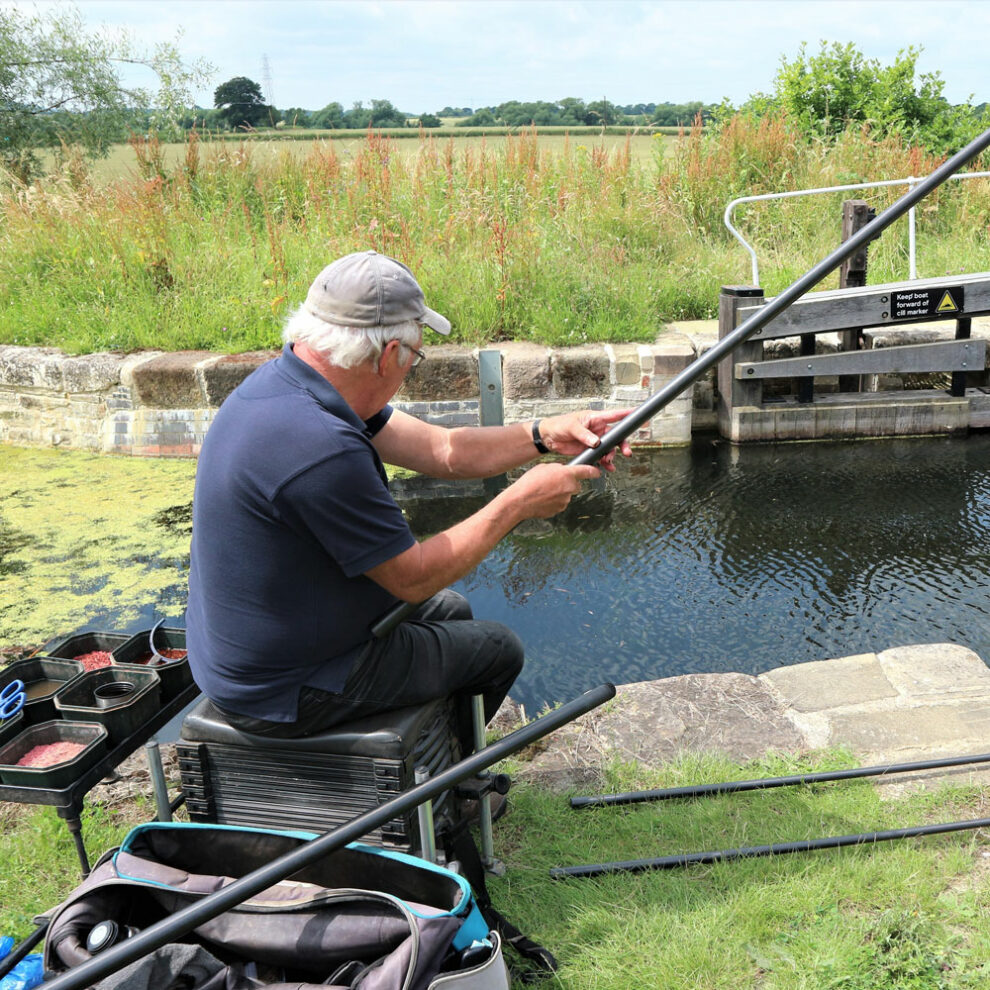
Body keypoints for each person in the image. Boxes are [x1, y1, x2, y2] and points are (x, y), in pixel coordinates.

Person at [185, 250, 631, 749]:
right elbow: (412, 578)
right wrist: (518, 503)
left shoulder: (296, 384)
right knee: (497, 650)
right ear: (386, 353)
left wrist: (544, 434)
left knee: (454, 609)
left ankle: (430, 762)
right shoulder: (318, 446)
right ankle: (453, 792)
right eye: (414, 358)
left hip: (265, 647)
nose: (410, 369)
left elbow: (444, 451)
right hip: (286, 687)